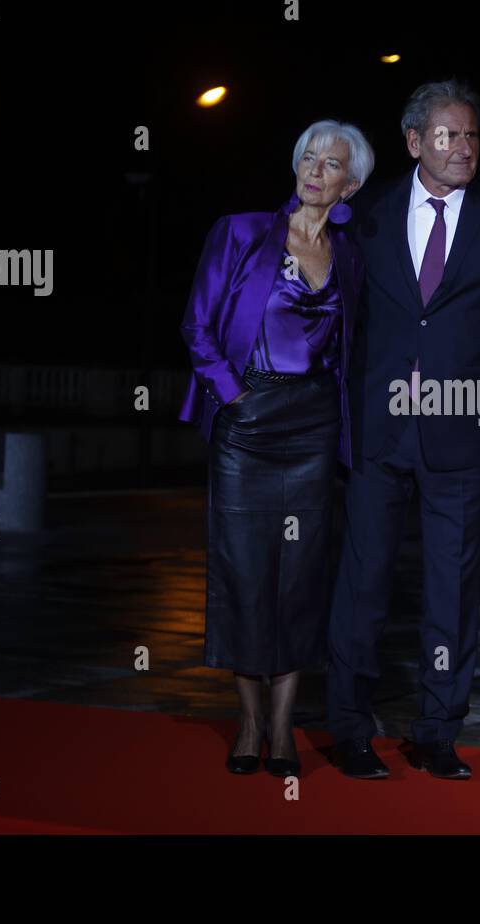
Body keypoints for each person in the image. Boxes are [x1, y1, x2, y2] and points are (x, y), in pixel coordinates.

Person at [327, 80, 480, 779]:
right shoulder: (368, 214)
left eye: (473, 135)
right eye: (449, 135)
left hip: (464, 441)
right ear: (416, 141)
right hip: (377, 436)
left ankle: (436, 730)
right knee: (362, 585)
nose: (464, 147)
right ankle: (349, 728)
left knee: (452, 591)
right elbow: (341, 323)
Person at [177, 119, 373, 779]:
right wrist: (231, 394)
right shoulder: (240, 231)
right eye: (308, 157)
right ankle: (248, 722)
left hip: (314, 427)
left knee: (299, 576)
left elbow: (355, 349)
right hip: (248, 418)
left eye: (332, 163)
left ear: (351, 182)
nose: (316, 169)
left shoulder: (350, 254)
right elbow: (197, 324)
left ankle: (284, 730)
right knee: (242, 570)